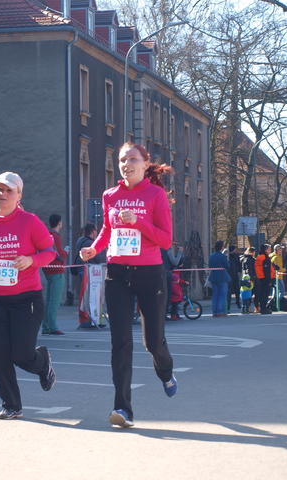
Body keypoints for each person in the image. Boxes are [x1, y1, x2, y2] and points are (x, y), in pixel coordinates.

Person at [79, 142, 176, 429]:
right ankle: (122, 407)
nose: (126, 164)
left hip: (150, 273)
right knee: (120, 342)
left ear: (145, 164)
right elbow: (108, 230)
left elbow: (165, 240)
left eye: (133, 159)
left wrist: (139, 222)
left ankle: (166, 372)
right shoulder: (110, 195)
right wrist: (93, 249)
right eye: (122, 160)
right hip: (118, 273)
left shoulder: (155, 194)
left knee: (153, 342)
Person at [0, 172, 57, 420]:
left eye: (9, 190)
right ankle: (11, 405)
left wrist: (31, 260)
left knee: (21, 354)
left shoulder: (30, 222)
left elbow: (50, 252)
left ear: (19, 195)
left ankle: (42, 362)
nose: (3, 194)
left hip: (26, 298)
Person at [73, 223, 105, 328]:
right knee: (90, 296)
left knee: (84, 296)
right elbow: (98, 258)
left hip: (81, 270)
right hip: (89, 272)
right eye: (96, 231)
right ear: (93, 231)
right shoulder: (91, 243)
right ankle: (89, 319)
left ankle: (87, 318)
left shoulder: (80, 241)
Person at [42, 213, 67, 335]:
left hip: (48, 269)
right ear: (59, 223)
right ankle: (52, 326)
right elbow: (60, 253)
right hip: (57, 269)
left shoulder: (47, 235)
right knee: (54, 301)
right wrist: (66, 252)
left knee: (49, 300)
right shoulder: (56, 236)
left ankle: (46, 326)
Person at [208, 241, 231, 317]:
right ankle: (220, 311)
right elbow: (227, 266)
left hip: (213, 277)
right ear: (221, 247)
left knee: (215, 295)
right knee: (222, 295)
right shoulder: (223, 256)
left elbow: (210, 266)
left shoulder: (211, 256)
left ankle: (215, 312)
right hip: (222, 277)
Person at [255, 244, 275, 314]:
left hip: (260, 278)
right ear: (265, 250)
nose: (270, 251)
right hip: (265, 279)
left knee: (261, 294)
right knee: (265, 294)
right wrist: (269, 280)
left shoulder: (259, 257)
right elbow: (266, 270)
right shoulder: (265, 258)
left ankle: (262, 308)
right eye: (269, 249)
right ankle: (263, 309)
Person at [240, 246, 258, 312]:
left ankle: (244, 307)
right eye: (254, 252)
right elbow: (249, 269)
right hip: (250, 278)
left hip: (244, 278)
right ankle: (248, 308)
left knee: (245, 293)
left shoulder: (243, 258)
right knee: (251, 293)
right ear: (252, 252)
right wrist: (252, 278)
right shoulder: (250, 259)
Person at [227, 245, 241, 312]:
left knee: (237, 290)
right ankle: (228, 306)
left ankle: (238, 302)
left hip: (235, 275)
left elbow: (239, 264)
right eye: (235, 249)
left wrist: (239, 271)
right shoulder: (228, 256)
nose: (236, 250)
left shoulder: (236, 256)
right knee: (229, 292)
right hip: (230, 275)